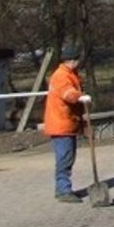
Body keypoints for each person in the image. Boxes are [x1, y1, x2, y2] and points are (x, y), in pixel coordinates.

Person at [42, 45, 91, 203]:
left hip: (67, 122)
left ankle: (63, 188)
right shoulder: (62, 76)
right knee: (65, 158)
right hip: (61, 123)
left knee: (68, 157)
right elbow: (67, 94)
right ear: (73, 60)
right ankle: (63, 190)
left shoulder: (70, 74)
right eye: (78, 60)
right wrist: (79, 97)